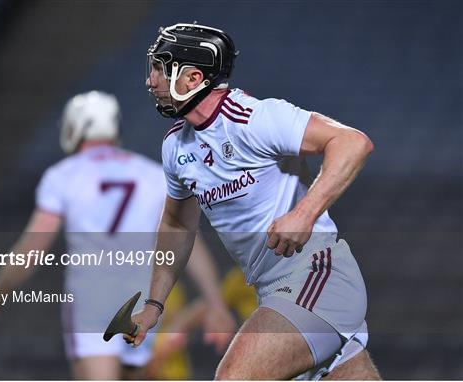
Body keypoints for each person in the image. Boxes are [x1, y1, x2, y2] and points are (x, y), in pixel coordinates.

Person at [124, 23, 381, 380]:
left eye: (160, 68)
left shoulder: (255, 118)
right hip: (274, 291)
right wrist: (154, 305)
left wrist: (304, 213)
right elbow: (177, 224)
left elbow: (353, 142)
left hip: (315, 275)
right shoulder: (175, 147)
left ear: (193, 77)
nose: (151, 81)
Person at [0, 90, 235, 380]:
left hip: (91, 298)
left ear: (74, 128)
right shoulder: (152, 173)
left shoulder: (63, 175)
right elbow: (187, 244)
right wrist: (215, 304)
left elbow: (33, 248)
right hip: (141, 299)